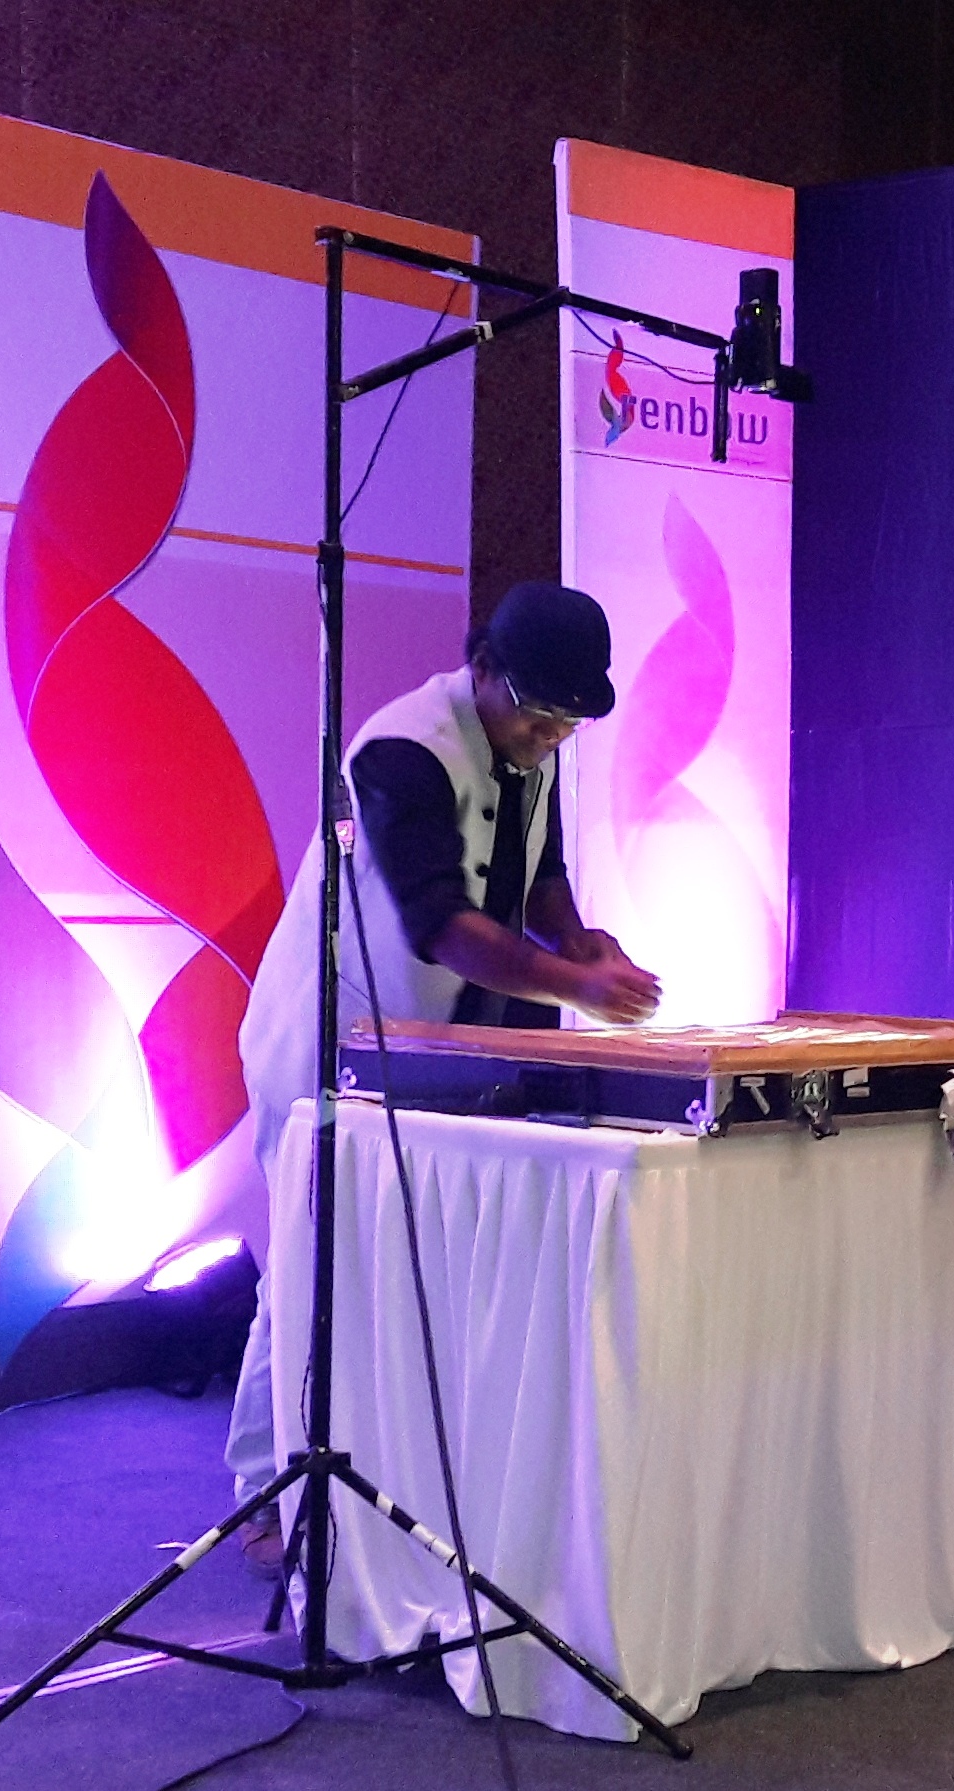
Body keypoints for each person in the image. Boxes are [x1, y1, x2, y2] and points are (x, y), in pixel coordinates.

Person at [222, 582, 662, 1572]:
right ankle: (264, 1494)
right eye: (539, 712)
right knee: (312, 1262)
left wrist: (582, 941)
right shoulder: (403, 750)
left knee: (407, 1261)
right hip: (326, 1034)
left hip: (431, 1045)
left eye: (569, 721)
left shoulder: (531, 743)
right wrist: (578, 987)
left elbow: (539, 874)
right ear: (484, 670)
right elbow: (443, 926)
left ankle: (392, 1476)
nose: (551, 735)